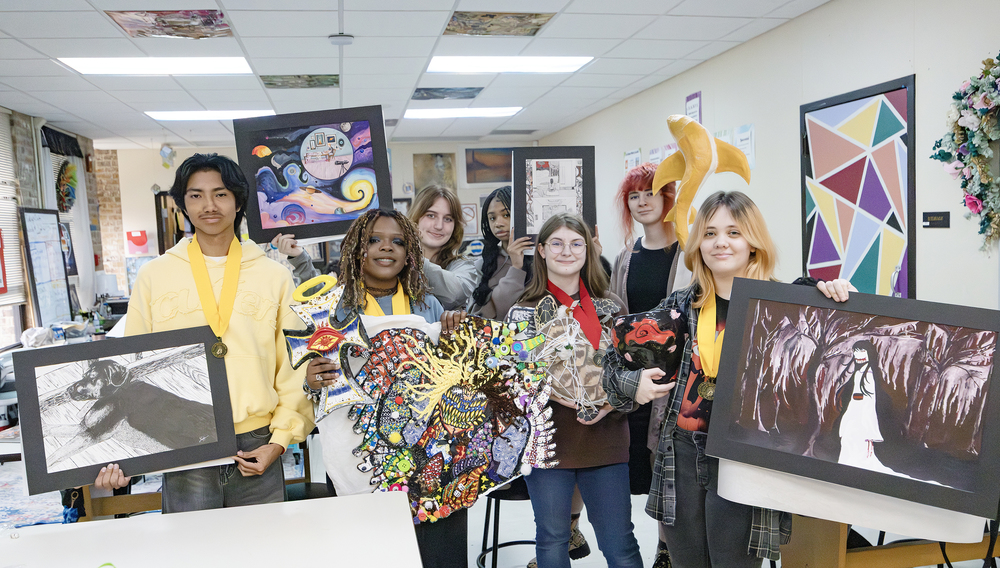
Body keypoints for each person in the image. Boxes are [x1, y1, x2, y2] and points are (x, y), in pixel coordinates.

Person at [603, 191, 852, 567]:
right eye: (710, 233)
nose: (721, 242)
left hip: (744, 456)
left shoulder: (786, 306)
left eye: (734, 232)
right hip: (682, 455)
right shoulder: (678, 307)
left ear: (753, 243)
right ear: (698, 245)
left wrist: (837, 296)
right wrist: (632, 384)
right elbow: (612, 362)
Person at [95, 153, 315, 512]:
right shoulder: (155, 276)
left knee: (263, 542)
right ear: (183, 204)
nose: (209, 205)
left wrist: (279, 442)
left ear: (238, 202)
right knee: (191, 543)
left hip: (257, 441)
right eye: (196, 195)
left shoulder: (273, 276)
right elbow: (130, 366)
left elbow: (293, 368)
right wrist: (118, 454)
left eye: (221, 194)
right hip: (180, 438)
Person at [301, 209, 455, 567]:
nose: (386, 248)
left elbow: (451, 376)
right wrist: (311, 380)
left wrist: (453, 337)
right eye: (374, 240)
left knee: (436, 550)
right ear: (356, 249)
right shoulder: (333, 312)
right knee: (371, 549)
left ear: (409, 253)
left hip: (427, 455)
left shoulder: (427, 305)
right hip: (360, 452)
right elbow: (312, 381)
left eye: (397, 241)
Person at [507, 213, 642, 568]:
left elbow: (632, 373)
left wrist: (607, 406)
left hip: (606, 439)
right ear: (541, 250)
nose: (566, 251)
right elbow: (513, 385)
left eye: (576, 243)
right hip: (549, 444)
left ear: (588, 250)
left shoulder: (612, 306)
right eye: (557, 243)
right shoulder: (522, 312)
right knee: (552, 539)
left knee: (619, 543)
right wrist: (555, 394)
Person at [610, 163, 690, 568]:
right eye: (634, 196)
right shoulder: (625, 258)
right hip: (635, 379)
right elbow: (616, 318)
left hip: (678, 379)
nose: (642, 202)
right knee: (636, 463)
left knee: (668, 464)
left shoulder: (688, 253)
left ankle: (666, 550)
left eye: (650, 193)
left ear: (668, 198)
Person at [408, 184, 479, 310]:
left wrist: (414, 261)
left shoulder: (463, 265)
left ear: (455, 226)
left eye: (448, 219)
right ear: (416, 217)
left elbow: (455, 294)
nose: (439, 226)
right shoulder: (397, 262)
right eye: (431, 215)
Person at [467, 186, 533, 318]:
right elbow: (478, 314)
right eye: (492, 218)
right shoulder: (484, 264)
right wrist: (516, 268)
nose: (498, 223)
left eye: (506, 215)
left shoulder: (543, 258)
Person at [835, 340, 887, 470]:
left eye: (862, 351)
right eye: (856, 352)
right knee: (848, 440)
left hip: (862, 415)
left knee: (855, 442)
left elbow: (869, 401)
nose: (858, 355)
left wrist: (869, 425)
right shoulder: (858, 373)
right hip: (854, 412)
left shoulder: (869, 374)